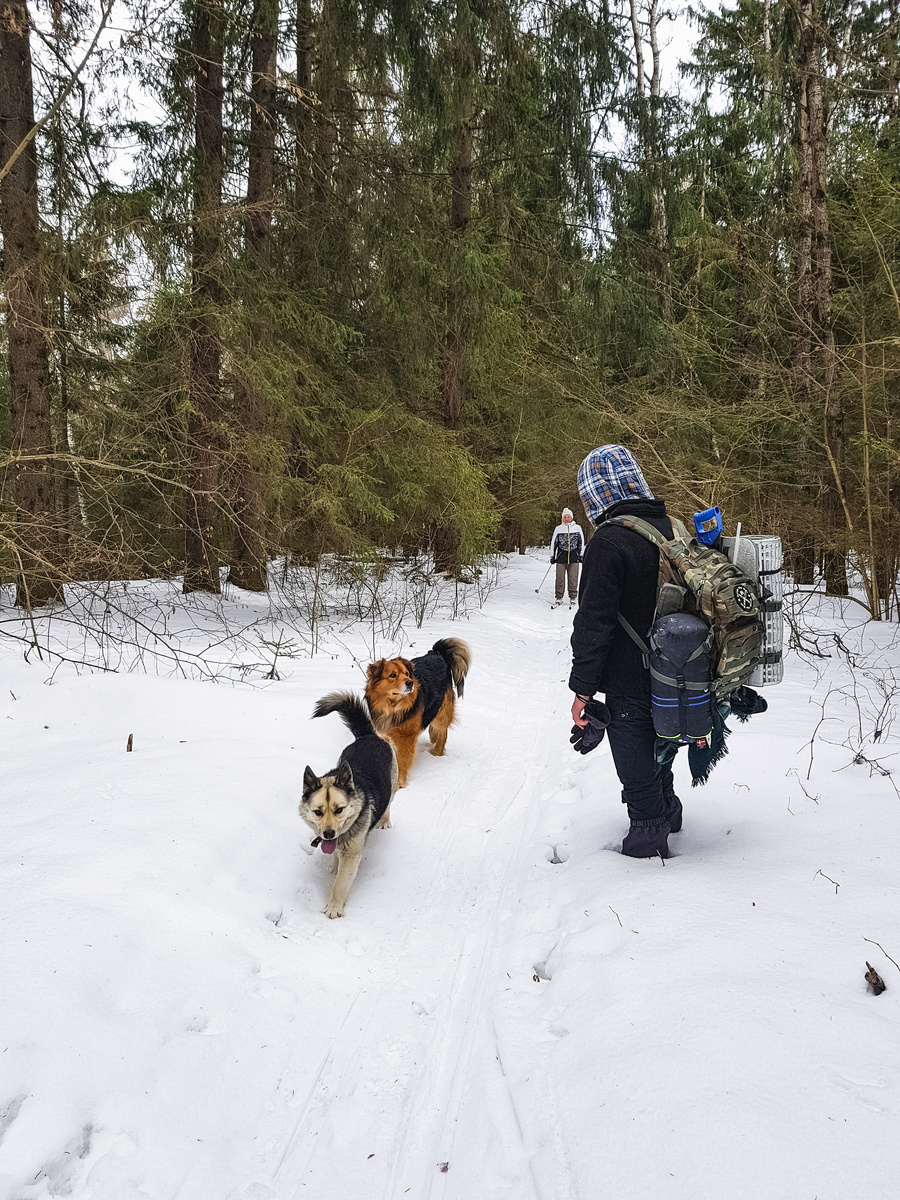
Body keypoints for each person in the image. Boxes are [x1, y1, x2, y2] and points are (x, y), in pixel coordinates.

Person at [568, 445, 682, 859]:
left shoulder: (609, 542)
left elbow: (593, 624)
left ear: (595, 490)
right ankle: (669, 809)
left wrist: (583, 690)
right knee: (663, 740)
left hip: (630, 676)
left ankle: (648, 843)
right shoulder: (672, 527)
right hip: (679, 671)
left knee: (636, 760)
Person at [549, 508, 584, 608]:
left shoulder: (577, 528)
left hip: (574, 557)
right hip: (561, 556)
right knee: (560, 578)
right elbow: (554, 543)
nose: (567, 518)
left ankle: (573, 597)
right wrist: (552, 555)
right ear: (562, 518)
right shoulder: (558, 529)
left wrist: (580, 555)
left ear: (571, 518)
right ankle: (558, 597)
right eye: (565, 517)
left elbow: (581, 542)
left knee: (573, 577)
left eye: (568, 517)